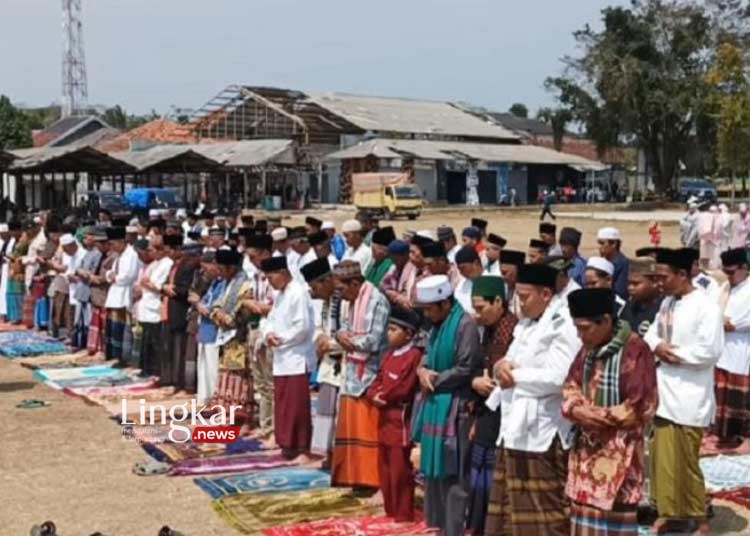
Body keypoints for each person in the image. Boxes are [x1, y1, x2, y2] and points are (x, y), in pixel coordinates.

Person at [486, 264, 581, 536]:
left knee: (544, 513)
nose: (520, 303)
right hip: (514, 427)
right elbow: (508, 359)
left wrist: (515, 376)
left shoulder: (564, 324)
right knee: (508, 511)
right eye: (517, 296)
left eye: (526, 297)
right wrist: (501, 368)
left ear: (546, 294)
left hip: (543, 430)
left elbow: (558, 377)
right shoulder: (526, 323)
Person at [563, 288, 658, 536]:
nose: (580, 335)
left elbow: (641, 405)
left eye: (584, 328)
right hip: (586, 452)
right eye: (577, 328)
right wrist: (575, 407)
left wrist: (594, 415)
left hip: (620, 453)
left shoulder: (636, 350)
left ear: (605, 320)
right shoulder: (587, 349)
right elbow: (570, 385)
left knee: (615, 520)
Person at [644, 248, 724, 535]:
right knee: (662, 460)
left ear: (682, 274)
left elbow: (710, 350)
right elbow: (652, 332)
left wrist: (675, 354)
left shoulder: (706, 306)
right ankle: (669, 512)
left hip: (691, 394)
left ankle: (700, 519)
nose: (660, 282)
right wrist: (657, 346)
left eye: (664, 277)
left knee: (687, 461)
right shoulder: (667, 302)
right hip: (664, 390)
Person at [413, 274, 482, 536]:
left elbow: (466, 367)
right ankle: (439, 528)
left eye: (431, 309)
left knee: (454, 474)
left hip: (456, 408)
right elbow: (426, 356)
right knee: (435, 473)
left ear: (445, 303)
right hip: (435, 404)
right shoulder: (437, 325)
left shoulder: (464, 325)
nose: (428, 314)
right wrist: (422, 371)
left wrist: (435, 378)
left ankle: (454, 530)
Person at [331, 260, 390, 489]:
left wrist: (347, 341)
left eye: (342, 288)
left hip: (371, 374)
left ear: (355, 283)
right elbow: (343, 327)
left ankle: (373, 480)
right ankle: (355, 477)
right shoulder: (353, 300)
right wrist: (341, 337)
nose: (340, 294)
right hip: (352, 370)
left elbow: (373, 341)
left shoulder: (376, 301)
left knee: (369, 431)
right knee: (352, 427)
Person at [466, 276, 517, 536]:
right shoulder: (488, 329)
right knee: (479, 474)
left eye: (481, 308)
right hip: (486, 412)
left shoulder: (515, 331)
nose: (478, 314)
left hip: (506, 414)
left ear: (498, 301)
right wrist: (476, 382)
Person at [365, 306, 423, 523]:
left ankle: (403, 513)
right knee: (385, 466)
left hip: (400, 420)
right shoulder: (389, 354)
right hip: (384, 419)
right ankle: (390, 508)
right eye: (388, 329)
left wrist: (384, 396)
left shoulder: (414, 356)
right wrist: (373, 394)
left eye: (394, 329)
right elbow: (378, 379)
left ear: (408, 334)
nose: (388, 333)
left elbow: (404, 386)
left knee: (400, 470)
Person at [261, 255, 315, 460]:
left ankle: (302, 448)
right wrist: (268, 335)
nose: (269, 282)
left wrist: (280, 340)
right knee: (283, 404)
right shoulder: (281, 295)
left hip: (296, 356)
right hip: (281, 357)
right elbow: (269, 320)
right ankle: (286, 444)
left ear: (283, 273)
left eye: (270, 277)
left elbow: (302, 327)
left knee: (297, 406)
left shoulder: (298, 293)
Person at [302, 258, 343, 465]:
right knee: (326, 410)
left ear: (325, 282)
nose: (313, 292)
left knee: (340, 414)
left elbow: (350, 334)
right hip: (328, 364)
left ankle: (340, 456)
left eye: (314, 287)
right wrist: (320, 338)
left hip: (343, 363)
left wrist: (331, 343)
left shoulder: (343, 299)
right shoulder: (327, 302)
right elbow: (319, 327)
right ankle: (328, 453)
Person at [209, 249, 254, 432]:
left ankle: (245, 419)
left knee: (242, 379)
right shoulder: (226, 284)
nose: (219, 271)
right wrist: (218, 314)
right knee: (227, 377)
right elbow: (216, 305)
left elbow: (242, 312)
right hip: (226, 338)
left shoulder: (245, 285)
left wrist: (226, 317)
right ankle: (228, 414)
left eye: (221, 268)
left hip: (240, 337)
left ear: (231, 268)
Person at [713, 248, 750, 449]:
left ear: (744, 268)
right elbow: (716, 317)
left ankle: (742, 437)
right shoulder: (725, 288)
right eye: (725, 272)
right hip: (723, 349)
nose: (729, 277)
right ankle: (723, 435)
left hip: (743, 347)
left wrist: (724, 322)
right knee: (722, 394)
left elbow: (735, 323)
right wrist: (722, 322)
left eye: (732, 272)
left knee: (740, 398)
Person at [241, 233, 276, 438]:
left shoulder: (277, 275)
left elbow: (271, 306)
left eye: (254, 256)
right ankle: (265, 426)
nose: (252, 261)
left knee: (272, 384)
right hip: (257, 330)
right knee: (261, 382)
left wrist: (254, 305)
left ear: (264, 253)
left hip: (271, 331)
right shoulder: (256, 276)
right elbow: (248, 300)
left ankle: (274, 429)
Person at [135, 241, 173, 377]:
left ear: (160, 250)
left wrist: (147, 284)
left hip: (155, 305)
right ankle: (146, 368)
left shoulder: (167, 263)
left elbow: (160, 286)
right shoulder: (153, 264)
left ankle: (156, 369)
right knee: (147, 339)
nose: (149, 253)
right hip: (146, 303)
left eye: (151, 250)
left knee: (156, 340)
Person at [104, 227, 140, 366]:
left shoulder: (131, 254)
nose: (112, 247)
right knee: (114, 328)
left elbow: (128, 276)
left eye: (113, 244)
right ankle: (115, 355)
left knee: (125, 329)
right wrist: (111, 276)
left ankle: (124, 358)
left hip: (125, 294)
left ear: (120, 241)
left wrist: (114, 277)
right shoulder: (118, 255)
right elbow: (109, 273)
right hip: (114, 293)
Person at [194, 251, 225, 405]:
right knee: (204, 366)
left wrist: (200, 305)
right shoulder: (213, 283)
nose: (204, 272)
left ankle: (215, 399)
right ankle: (205, 398)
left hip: (215, 329)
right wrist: (199, 304)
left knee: (214, 368)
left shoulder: (224, 283)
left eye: (206, 268)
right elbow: (203, 301)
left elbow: (214, 306)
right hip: (205, 328)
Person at [620, 258, 663, 336]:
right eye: (629, 283)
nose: (630, 288)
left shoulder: (664, 307)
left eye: (635, 284)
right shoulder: (629, 306)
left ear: (655, 282)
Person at [597, 227, 629, 299]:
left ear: (613, 244)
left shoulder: (623, 264)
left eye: (602, 243)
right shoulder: (602, 262)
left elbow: (620, 293)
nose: (599, 247)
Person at [454, 246, 484, 314]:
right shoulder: (461, 286)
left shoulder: (493, 281)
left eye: (463, 268)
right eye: (459, 269)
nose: (461, 272)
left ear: (476, 263)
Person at [500, 249, 525, 319]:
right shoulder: (504, 288)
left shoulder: (526, 292)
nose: (502, 277)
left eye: (504, 273)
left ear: (517, 270)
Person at [698, 205, 721, 270]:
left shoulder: (719, 220)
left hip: (714, 242)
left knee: (714, 258)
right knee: (704, 257)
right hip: (705, 241)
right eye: (711, 211)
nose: (712, 213)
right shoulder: (705, 218)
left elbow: (717, 232)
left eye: (714, 211)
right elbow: (701, 230)